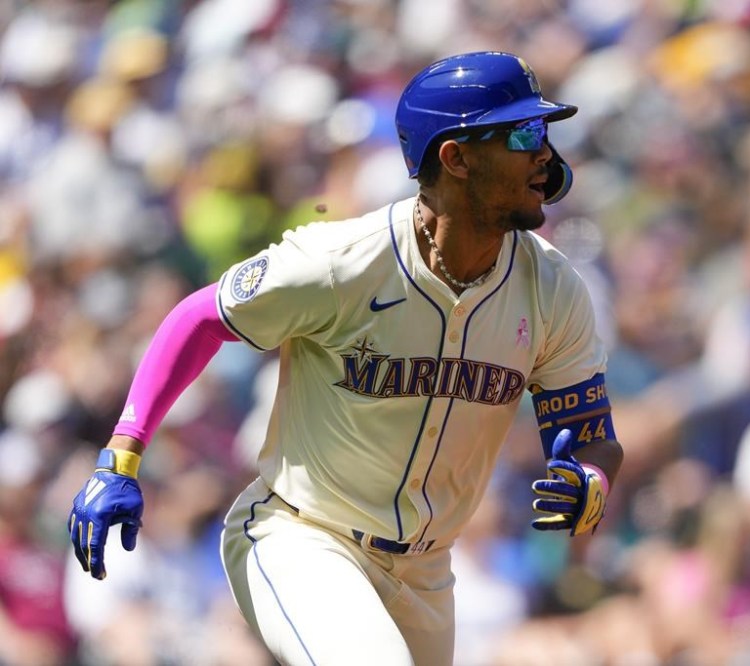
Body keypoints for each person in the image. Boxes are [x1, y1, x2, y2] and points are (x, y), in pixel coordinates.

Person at [67, 50, 624, 666]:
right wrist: (121, 456)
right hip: (303, 537)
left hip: (429, 572)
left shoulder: (553, 287)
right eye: (522, 133)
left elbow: (593, 436)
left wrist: (591, 480)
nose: (544, 153)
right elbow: (197, 319)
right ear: (456, 157)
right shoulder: (342, 262)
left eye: (544, 133)